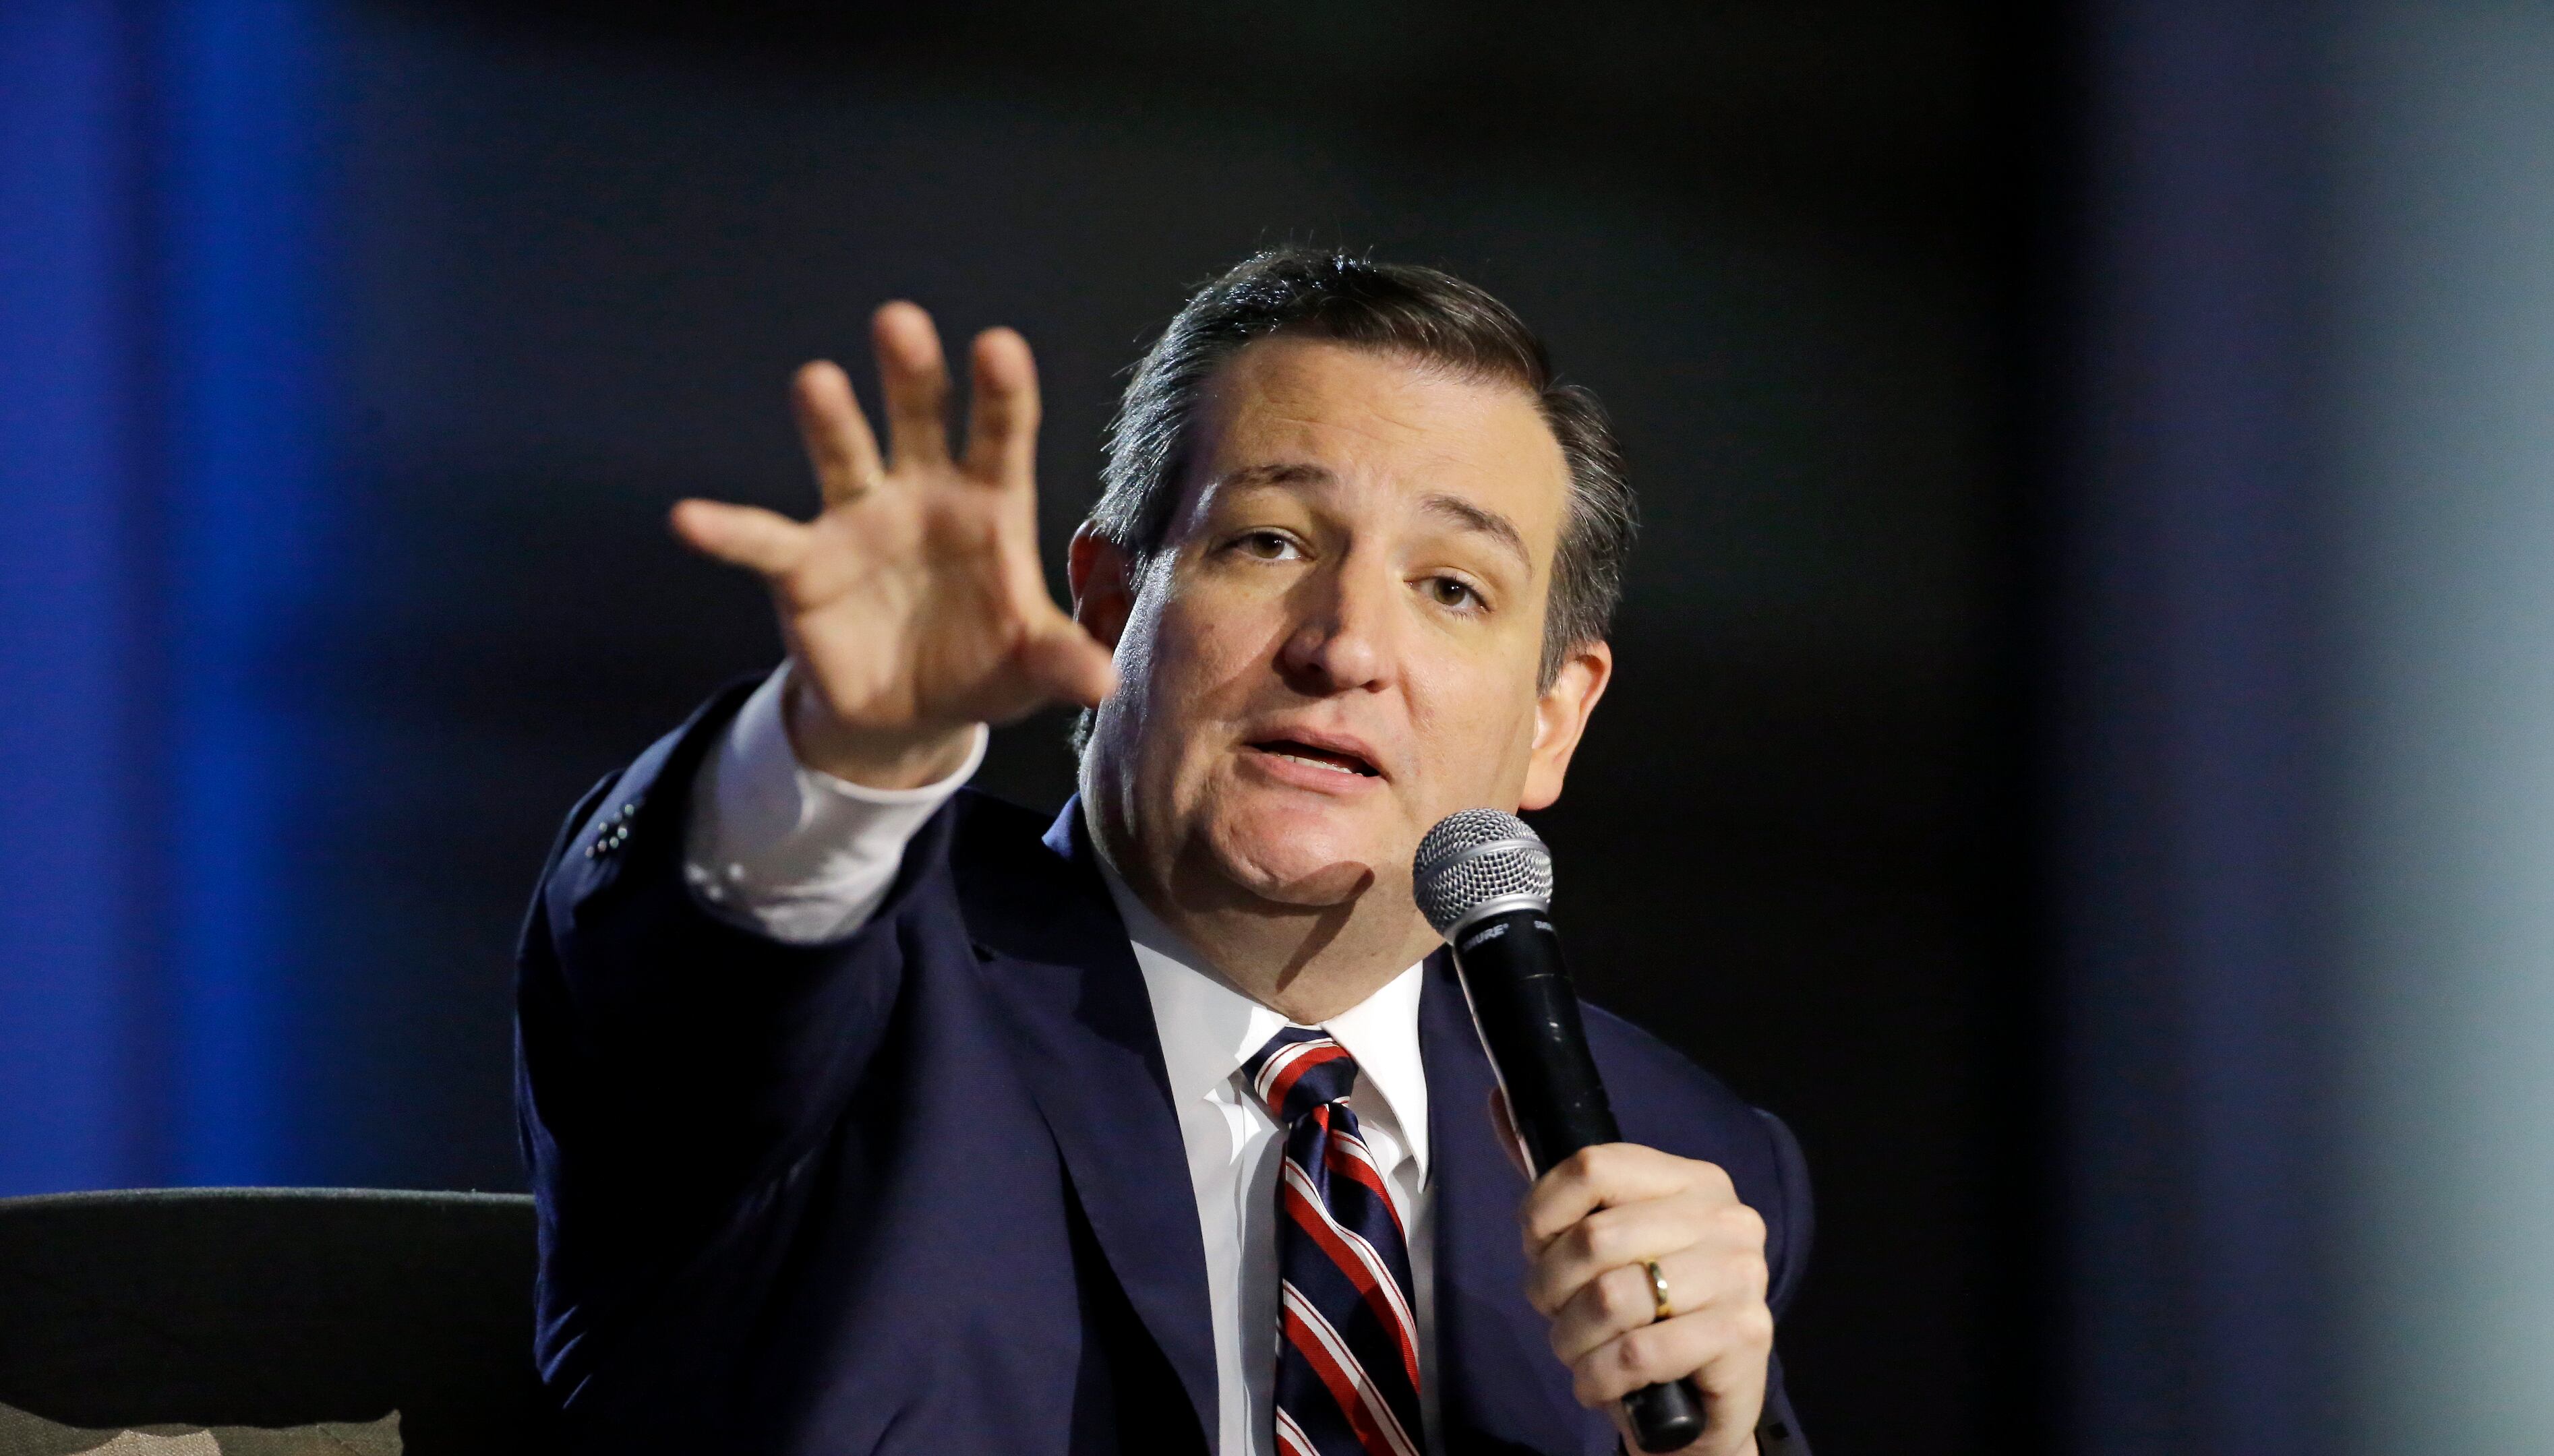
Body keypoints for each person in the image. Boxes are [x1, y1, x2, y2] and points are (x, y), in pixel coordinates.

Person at [516, 249, 1812, 1456]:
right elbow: (694, 965)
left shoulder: (1675, 1158)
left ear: (1554, 721)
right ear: (1108, 601)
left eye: (1451, 588)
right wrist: (846, 747)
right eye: (1270, 543)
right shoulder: (867, 995)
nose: (1345, 645)